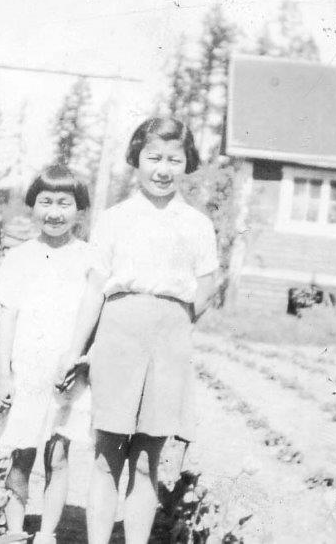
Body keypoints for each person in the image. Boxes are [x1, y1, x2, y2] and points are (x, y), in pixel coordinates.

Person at [57, 117, 220, 544]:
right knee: (107, 456)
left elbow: (207, 284)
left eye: (174, 159)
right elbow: (95, 288)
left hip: (169, 341)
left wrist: (177, 323)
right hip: (119, 335)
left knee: (148, 460)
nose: (163, 169)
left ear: (186, 164)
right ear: (137, 160)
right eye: (154, 157)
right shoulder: (115, 219)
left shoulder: (196, 224)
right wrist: (76, 349)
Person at [0, 165, 94, 543]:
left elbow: (93, 316)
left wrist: (80, 358)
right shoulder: (19, 258)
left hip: (65, 372)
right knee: (21, 453)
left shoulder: (89, 258)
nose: (54, 212)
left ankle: (47, 533)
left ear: (79, 209)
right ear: (33, 206)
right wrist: (3, 374)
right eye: (46, 202)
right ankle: (17, 530)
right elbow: (7, 319)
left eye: (64, 203)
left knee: (58, 454)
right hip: (25, 369)